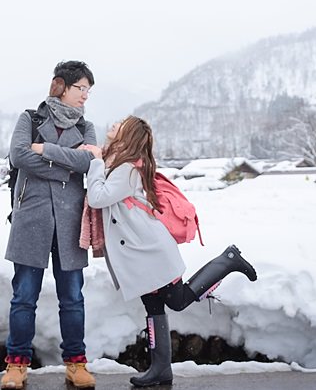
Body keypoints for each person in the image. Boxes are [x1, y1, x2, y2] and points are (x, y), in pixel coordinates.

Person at [84, 116, 258, 387]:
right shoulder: (119, 162)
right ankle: (160, 369)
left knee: (176, 300)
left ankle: (227, 261)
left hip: (150, 251)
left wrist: (95, 161)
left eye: (120, 124)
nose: (114, 124)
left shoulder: (127, 168)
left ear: (127, 136)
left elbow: (98, 197)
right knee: (152, 305)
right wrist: (98, 157)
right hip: (140, 251)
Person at [1, 60, 97, 390]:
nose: (86, 95)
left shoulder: (87, 128)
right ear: (60, 86)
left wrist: (47, 151)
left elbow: (88, 161)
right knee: (23, 297)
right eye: (80, 88)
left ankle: (76, 363)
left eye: (88, 90)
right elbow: (19, 156)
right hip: (31, 218)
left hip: (71, 223)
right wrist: (64, 167)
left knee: (72, 298)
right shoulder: (30, 118)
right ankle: (16, 365)